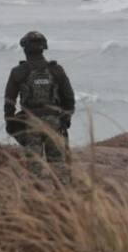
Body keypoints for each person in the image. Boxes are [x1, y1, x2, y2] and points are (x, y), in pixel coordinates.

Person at [4, 31, 75, 182]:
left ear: (25, 49)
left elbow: (9, 102)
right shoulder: (56, 70)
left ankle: (35, 199)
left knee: (34, 165)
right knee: (57, 162)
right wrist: (65, 118)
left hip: (30, 123)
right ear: (44, 48)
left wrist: (10, 122)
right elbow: (69, 99)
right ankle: (65, 199)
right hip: (54, 123)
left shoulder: (18, 72)